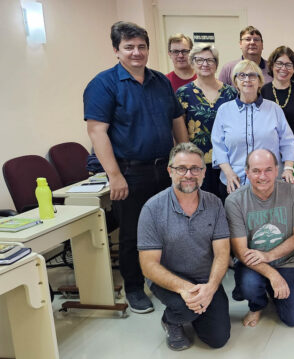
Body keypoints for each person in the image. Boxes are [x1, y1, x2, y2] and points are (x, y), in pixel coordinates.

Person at [84, 21, 187, 313]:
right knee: (132, 233)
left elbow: (177, 122)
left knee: (168, 228)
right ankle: (133, 287)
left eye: (141, 46)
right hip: (129, 172)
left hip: (164, 169)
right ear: (117, 50)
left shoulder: (160, 81)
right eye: (129, 47)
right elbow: (97, 131)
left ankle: (164, 278)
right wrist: (114, 176)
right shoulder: (104, 84)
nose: (136, 52)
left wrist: (184, 162)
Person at [138, 143, 231, 350]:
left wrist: (210, 288)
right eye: (181, 168)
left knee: (218, 339)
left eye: (195, 168)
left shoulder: (214, 203)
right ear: (170, 171)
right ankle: (172, 319)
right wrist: (186, 289)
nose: (189, 174)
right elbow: (148, 265)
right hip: (168, 279)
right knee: (186, 309)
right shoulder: (152, 209)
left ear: (204, 173)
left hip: (205, 279)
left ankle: (195, 308)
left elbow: (222, 252)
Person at [226, 149, 294, 328]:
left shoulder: (292, 191)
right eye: (256, 171)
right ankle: (257, 305)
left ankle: (271, 289)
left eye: (268, 170)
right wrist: (273, 275)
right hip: (251, 262)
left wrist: (269, 256)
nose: (262, 176)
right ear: (246, 172)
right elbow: (240, 252)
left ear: (277, 170)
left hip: (284, 261)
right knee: (249, 284)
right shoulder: (234, 201)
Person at [260, 46, 294, 269]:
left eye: (289, 64)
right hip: (269, 159)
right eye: (279, 64)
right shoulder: (262, 91)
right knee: (272, 208)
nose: (284, 68)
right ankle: (275, 257)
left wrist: (293, 151)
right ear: (272, 66)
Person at [211, 60, 294, 197]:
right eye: (242, 76)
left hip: (269, 183)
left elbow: (288, 142)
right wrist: (229, 173)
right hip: (235, 183)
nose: (247, 80)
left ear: (260, 82)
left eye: (252, 75)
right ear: (235, 82)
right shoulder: (224, 110)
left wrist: (288, 169)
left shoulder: (274, 109)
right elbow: (218, 146)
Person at [176, 43, 238, 199]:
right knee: (202, 205)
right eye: (199, 60)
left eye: (210, 60)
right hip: (197, 162)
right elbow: (177, 128)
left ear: (216, 64)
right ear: (192, 63)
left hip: (228, 161)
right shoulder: (183, 93)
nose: (205, 64)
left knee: (228, 204)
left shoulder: (231, 93)